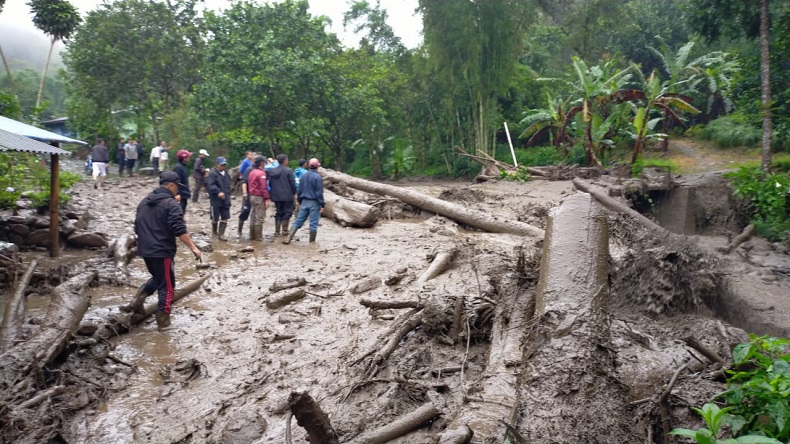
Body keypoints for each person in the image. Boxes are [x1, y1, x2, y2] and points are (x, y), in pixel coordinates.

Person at [125, 171, 202, 331]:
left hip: (145, 249)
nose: (178, 191)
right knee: (167, 287)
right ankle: (163, 321)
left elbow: (137, 225)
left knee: (159, 278)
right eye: (177, 188)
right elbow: (179, 229)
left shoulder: (144, 202)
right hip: (162, 251)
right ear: (171, 185)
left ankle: (138, 301)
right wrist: (194, 248)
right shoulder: (171, 204)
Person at [284, 158, 324, 244]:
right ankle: (311, 243)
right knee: (313, 224)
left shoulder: (304, 176)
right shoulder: (318, 177)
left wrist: (300, 201)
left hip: (304, 201)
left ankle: (288, 238)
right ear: (317, 167)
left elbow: (299, 190)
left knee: (298, 221)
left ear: (309, 165)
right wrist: (322, 204)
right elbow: (319, 193)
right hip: (314, 203)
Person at [268, 154, 296, 237]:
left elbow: (270, 183)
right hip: (287, 195)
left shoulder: (272, 171)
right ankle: (284, 230)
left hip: (276, 195)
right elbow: (292, 184)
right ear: (284, 161)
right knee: (287, 211)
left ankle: (277, 231)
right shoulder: (288, 171)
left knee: (278, 212)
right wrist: (294, 193)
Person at [246, 156, 271, 240]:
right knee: (259, 217)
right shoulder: (261, 174)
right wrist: (267, 199)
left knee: (253, 216)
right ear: (261, 163)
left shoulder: (252, 172)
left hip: (252, 196)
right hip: (259, 197)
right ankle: (258, 237)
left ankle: (252, 236)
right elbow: (264, 187)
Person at [207, 156, 232, 241]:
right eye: (221, 165)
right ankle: (214, 232)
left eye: (224, 165)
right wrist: (218, 191)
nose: (223, 166)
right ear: (217, 165)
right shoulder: (212, 174)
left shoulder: (226, 173)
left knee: (225, 217)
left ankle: (221, 234)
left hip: (226, 198)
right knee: (215, 217)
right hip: (216, 200)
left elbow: (228, 185)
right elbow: (210, 186)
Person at [174, 150, 192, 214]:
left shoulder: (183, 167)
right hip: (180, 195)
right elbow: (176, 182)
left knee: (182, 212)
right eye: (188, 157)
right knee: (179, 212)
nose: (189, 158)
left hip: (184, 194)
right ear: (184, 158)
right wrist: (177, 193)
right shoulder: (178, 168)